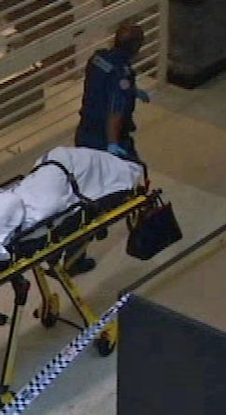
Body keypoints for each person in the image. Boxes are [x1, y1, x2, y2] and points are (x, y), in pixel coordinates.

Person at [69, 23, 150, 275]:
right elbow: (115, 111)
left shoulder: (99, 58)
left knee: (86, 189)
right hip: (105, 141)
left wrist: (132, 92)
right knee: (135, 176)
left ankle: (77, 249)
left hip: (84, 133)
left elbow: (99, 88)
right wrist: (113, 144)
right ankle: (83, 247)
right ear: (136, 48)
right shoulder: (122, 73)